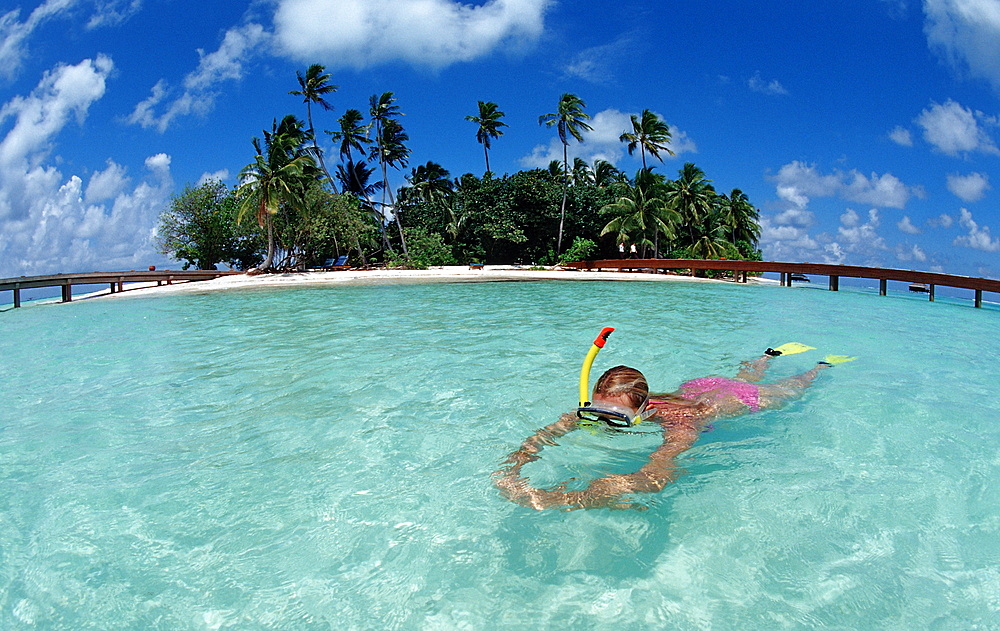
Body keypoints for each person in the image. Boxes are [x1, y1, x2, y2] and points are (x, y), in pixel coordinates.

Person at [494, 350, 835, 511]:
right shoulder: (601, 407)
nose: (604, 423)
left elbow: (659, 475)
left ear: (642, 411)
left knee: (792, 388)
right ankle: (765, 356)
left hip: (732, 399)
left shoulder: (680, 425)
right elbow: (545, 434)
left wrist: (583, 495)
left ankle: (818, 367)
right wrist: (514, 467)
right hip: (696, 387)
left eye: (618, 419)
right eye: (598, 412)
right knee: (744, 372)